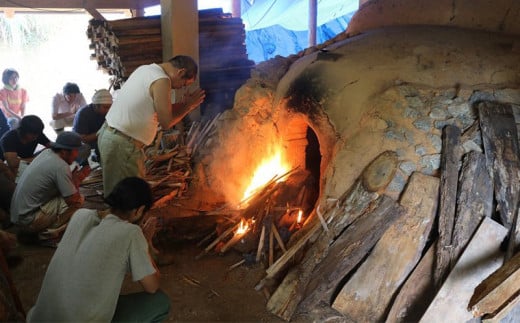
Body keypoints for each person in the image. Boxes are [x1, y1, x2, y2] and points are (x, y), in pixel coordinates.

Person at [27, 177, 170, 322]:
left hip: (39, 318)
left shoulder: (80, 215)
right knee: (160, 302)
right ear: (139, 210)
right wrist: (146, 243)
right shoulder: (131, 233)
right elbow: (152, 286)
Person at [98, 55, 205, 197]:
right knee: (128, 199)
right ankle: (120, 219)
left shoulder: (146, 70)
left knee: (118, 195)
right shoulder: (162, 80)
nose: (181, 88)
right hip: (122, 145)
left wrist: (184, 105)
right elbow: (166, 122)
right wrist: (189, 106)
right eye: (184, 84)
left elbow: (161, 109)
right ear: (180, 72)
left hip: (112, 136)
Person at [10, 131, 90, 244]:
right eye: (75, 151)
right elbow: (72, 199)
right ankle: (45, 235)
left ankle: (35, 230)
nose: (77, 154)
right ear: (64, 151)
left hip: (18, 215)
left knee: (66, 194)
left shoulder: (47, 153)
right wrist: (79, 178)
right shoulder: (60, 166)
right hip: (27, 220)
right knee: (78, 201)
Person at [0, 115, 51, 180]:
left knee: (49, 152)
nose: (35, 137)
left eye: (37, 134)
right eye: (33, 134)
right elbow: (12, 163)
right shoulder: (9, 138)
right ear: (23, 131)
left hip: (24, 159)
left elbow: (51, 146)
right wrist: (37, 159)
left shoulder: (37, 133)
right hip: (4, 163)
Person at [72, 89, 113, 163]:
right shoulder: (83, 114)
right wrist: (103, 131)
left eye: (110, 107)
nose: (109, 110)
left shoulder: (108, 111)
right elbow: (83, 139)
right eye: (106, 107)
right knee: (85, 151)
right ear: (96, 106)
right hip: (82, 144)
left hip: (99, 138)